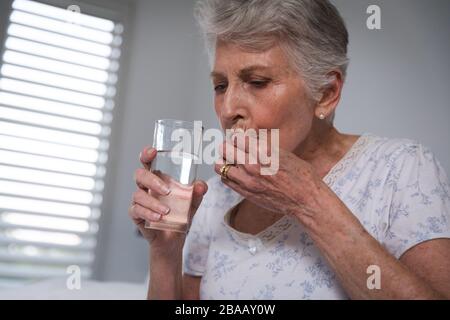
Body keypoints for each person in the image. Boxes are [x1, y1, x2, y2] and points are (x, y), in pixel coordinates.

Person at [129, 0, 450, 299]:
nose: (228, 109)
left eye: (256, 81)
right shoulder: (213, 198)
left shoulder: (401, 169)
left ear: (326, 93)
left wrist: (308, 201)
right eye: (220, 85)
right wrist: (165, 253)